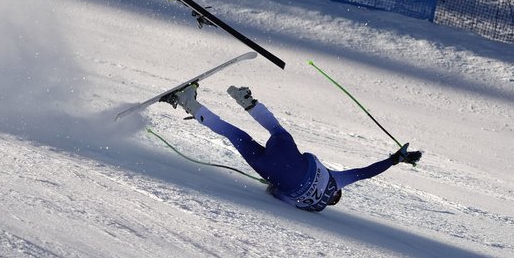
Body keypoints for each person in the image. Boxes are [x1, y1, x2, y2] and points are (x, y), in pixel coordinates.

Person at [162, 83, 422, 212]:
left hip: (289, 155)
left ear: (337, 193)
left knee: (276, 130)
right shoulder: (311, 207)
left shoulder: (338, 181)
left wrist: (395, 159)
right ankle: (187, 102)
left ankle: (248, 101)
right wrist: (275, 185)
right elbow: (274, 194)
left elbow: (366, 172)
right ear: (329, 202)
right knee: (233, 133)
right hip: (269, 168)